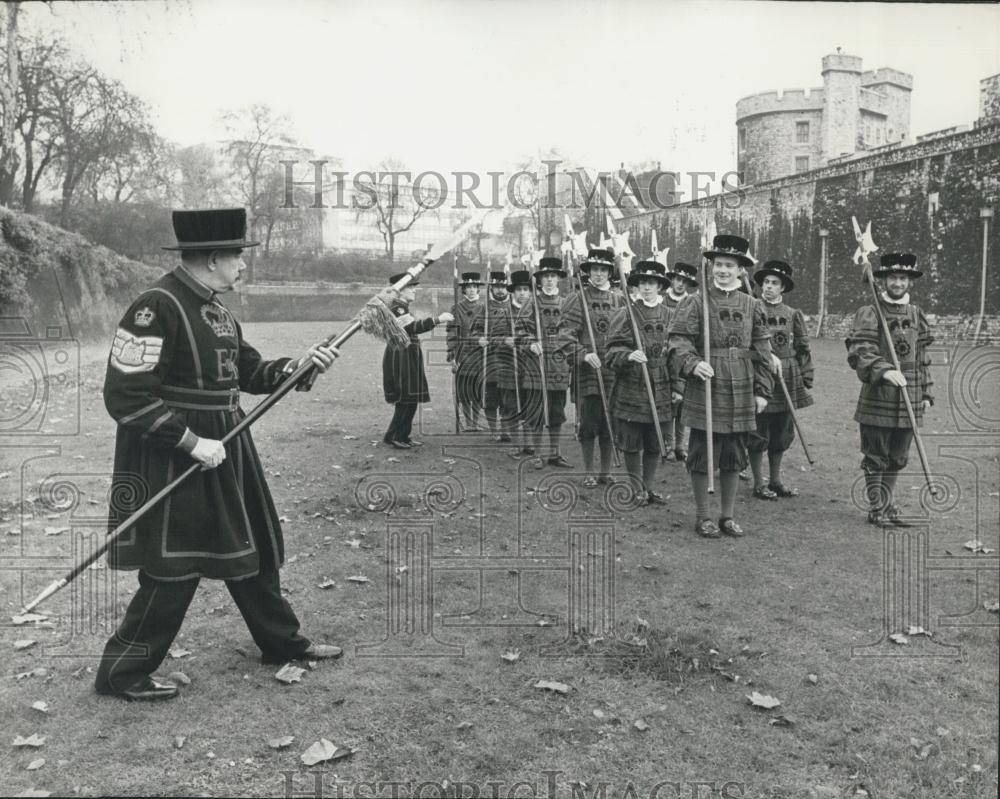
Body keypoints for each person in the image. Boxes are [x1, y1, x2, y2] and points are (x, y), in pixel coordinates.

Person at [97, 208, 343, 702]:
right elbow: (124, 396)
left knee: (248, 544)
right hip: (174, 456)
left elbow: (249, 372)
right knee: (175, 567)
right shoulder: (154, 307)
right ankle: (121, 674)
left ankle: (281, 643)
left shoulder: (216, 308)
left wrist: (299, 365)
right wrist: (191, 442)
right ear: (212, 258)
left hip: (228, 445)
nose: (244, 265)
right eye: (238, 256)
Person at [667, 234, 774, 539]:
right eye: (718, 264)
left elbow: (763, 350)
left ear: (742, 270)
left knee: (734, 452)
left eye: (730, 265)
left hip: (741, 382)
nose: (723, 270)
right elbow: (677, 339)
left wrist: (761, 390)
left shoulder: (753, 305)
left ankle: (727, 516)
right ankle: (703, 517)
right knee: (703, 451)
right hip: (707, 382)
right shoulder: (695, 301)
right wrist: (692, 363)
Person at [846, 252, 933, 526]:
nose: (897, 283)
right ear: (883, 280)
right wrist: (884, 371)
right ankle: (876, 509)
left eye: (903, 278)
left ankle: (888, 504)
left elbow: (921, 357)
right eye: (893, 278)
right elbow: (861, 349)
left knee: (898, 455)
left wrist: (927, 392)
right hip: (880, 392)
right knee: (876, 454)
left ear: (910, 281)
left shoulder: (916, 313)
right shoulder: (871, 312)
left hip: (910, 393)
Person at [606, 260, 680, 505]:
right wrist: (628, 355)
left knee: (655, 440)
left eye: (651, 283)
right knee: (632, 440)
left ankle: (649, 488)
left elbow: (678, 353)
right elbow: (611, 351)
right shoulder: (626, 312)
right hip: (633, 383)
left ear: (659, 286)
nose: (646, 288)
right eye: (641, 283)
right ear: (635, 286)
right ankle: (635, 487)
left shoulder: (671, 315)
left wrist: (678, 386)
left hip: (662, 383)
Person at [748, 260, 814, 499]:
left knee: (782, 429)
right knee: (758, 430)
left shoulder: (792, 314)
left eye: (774, 283)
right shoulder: (753, 308)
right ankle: (758, 483)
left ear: (783, 287)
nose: (768, 287)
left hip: (787, 373)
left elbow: (802, 346)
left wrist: (806, 374)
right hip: (762, 372)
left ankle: (775, 480)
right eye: (766, 282)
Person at [562, 249, 623, 486]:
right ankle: (588, 471)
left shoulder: (619, 298)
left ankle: (605, 472)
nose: (598, 274)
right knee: (589, 421)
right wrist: (583, 355)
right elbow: (565, 334)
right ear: (588, 272)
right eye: (594, 270)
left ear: (610, 272)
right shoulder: (577, 298)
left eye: (603, 270)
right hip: (588, 369)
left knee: (611, 423)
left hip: (613, 370)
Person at [513, 256, 572, 468]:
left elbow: (573, 331)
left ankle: (554, 453)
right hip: (535, 364)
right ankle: (537, 454)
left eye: (553, 276)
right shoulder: (531, 303)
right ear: (539, 279)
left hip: (558, 364)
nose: (549, 280)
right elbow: (519, 331)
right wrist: (529, 342)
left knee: (557, 411)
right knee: (536, 411)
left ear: (558, 279)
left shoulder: (566, 303)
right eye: (545, 276)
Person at [383, 273, 453, 448]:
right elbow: (411, 327)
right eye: (411, 287)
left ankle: (398, 435)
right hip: (401, 356)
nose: (414, 290)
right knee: (406, 396)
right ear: (400, 290)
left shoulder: (401, 307)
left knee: (410, 397)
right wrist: (438, 319)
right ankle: (397, 437)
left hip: (406, 354)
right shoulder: (397, 308)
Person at [663, 261, 698, 461]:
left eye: (685, 281)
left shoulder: (692, 303)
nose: (680, 284)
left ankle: (679, 445)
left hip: (685, 356)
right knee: (669, 403)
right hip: (666, 356)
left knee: (684, 403)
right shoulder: (661, 302)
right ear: (672, 280)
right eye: (677, 279)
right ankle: (667, 444)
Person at [472, 271, 513, 441]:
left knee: (508, 397)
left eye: (503, 287)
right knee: (491, 396)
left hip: (509, 358)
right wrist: (479, 339)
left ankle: (506, 430)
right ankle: (494, 430)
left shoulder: (514, 307)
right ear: (491, 288)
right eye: (497, 287)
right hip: (489, 358)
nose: (500, 290)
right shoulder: (484, 308)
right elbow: (474, 331)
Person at [497, 270, 532, 452]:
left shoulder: (536, 312)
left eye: (526, 289)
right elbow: (493, 337)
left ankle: (528, 443)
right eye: (519, 290)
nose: (522, 293)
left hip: (530, 365)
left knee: (529, 404)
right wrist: (504, 341)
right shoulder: (505, 312)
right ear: (513, 292)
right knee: (511, 404)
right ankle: (515, 443)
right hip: (509, 365)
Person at [447, 272, 485, 432]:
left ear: (478, 289)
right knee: (464, 391)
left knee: (477, 389)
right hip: (462, 354)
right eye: (468, 287)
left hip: (479, 355)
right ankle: (468, 422)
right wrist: (452, 356)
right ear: (463, 290)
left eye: (474, 287)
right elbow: (451, 333)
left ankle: (475, 423)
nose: (471, 290)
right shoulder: (456, 308)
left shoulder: (484, 308)